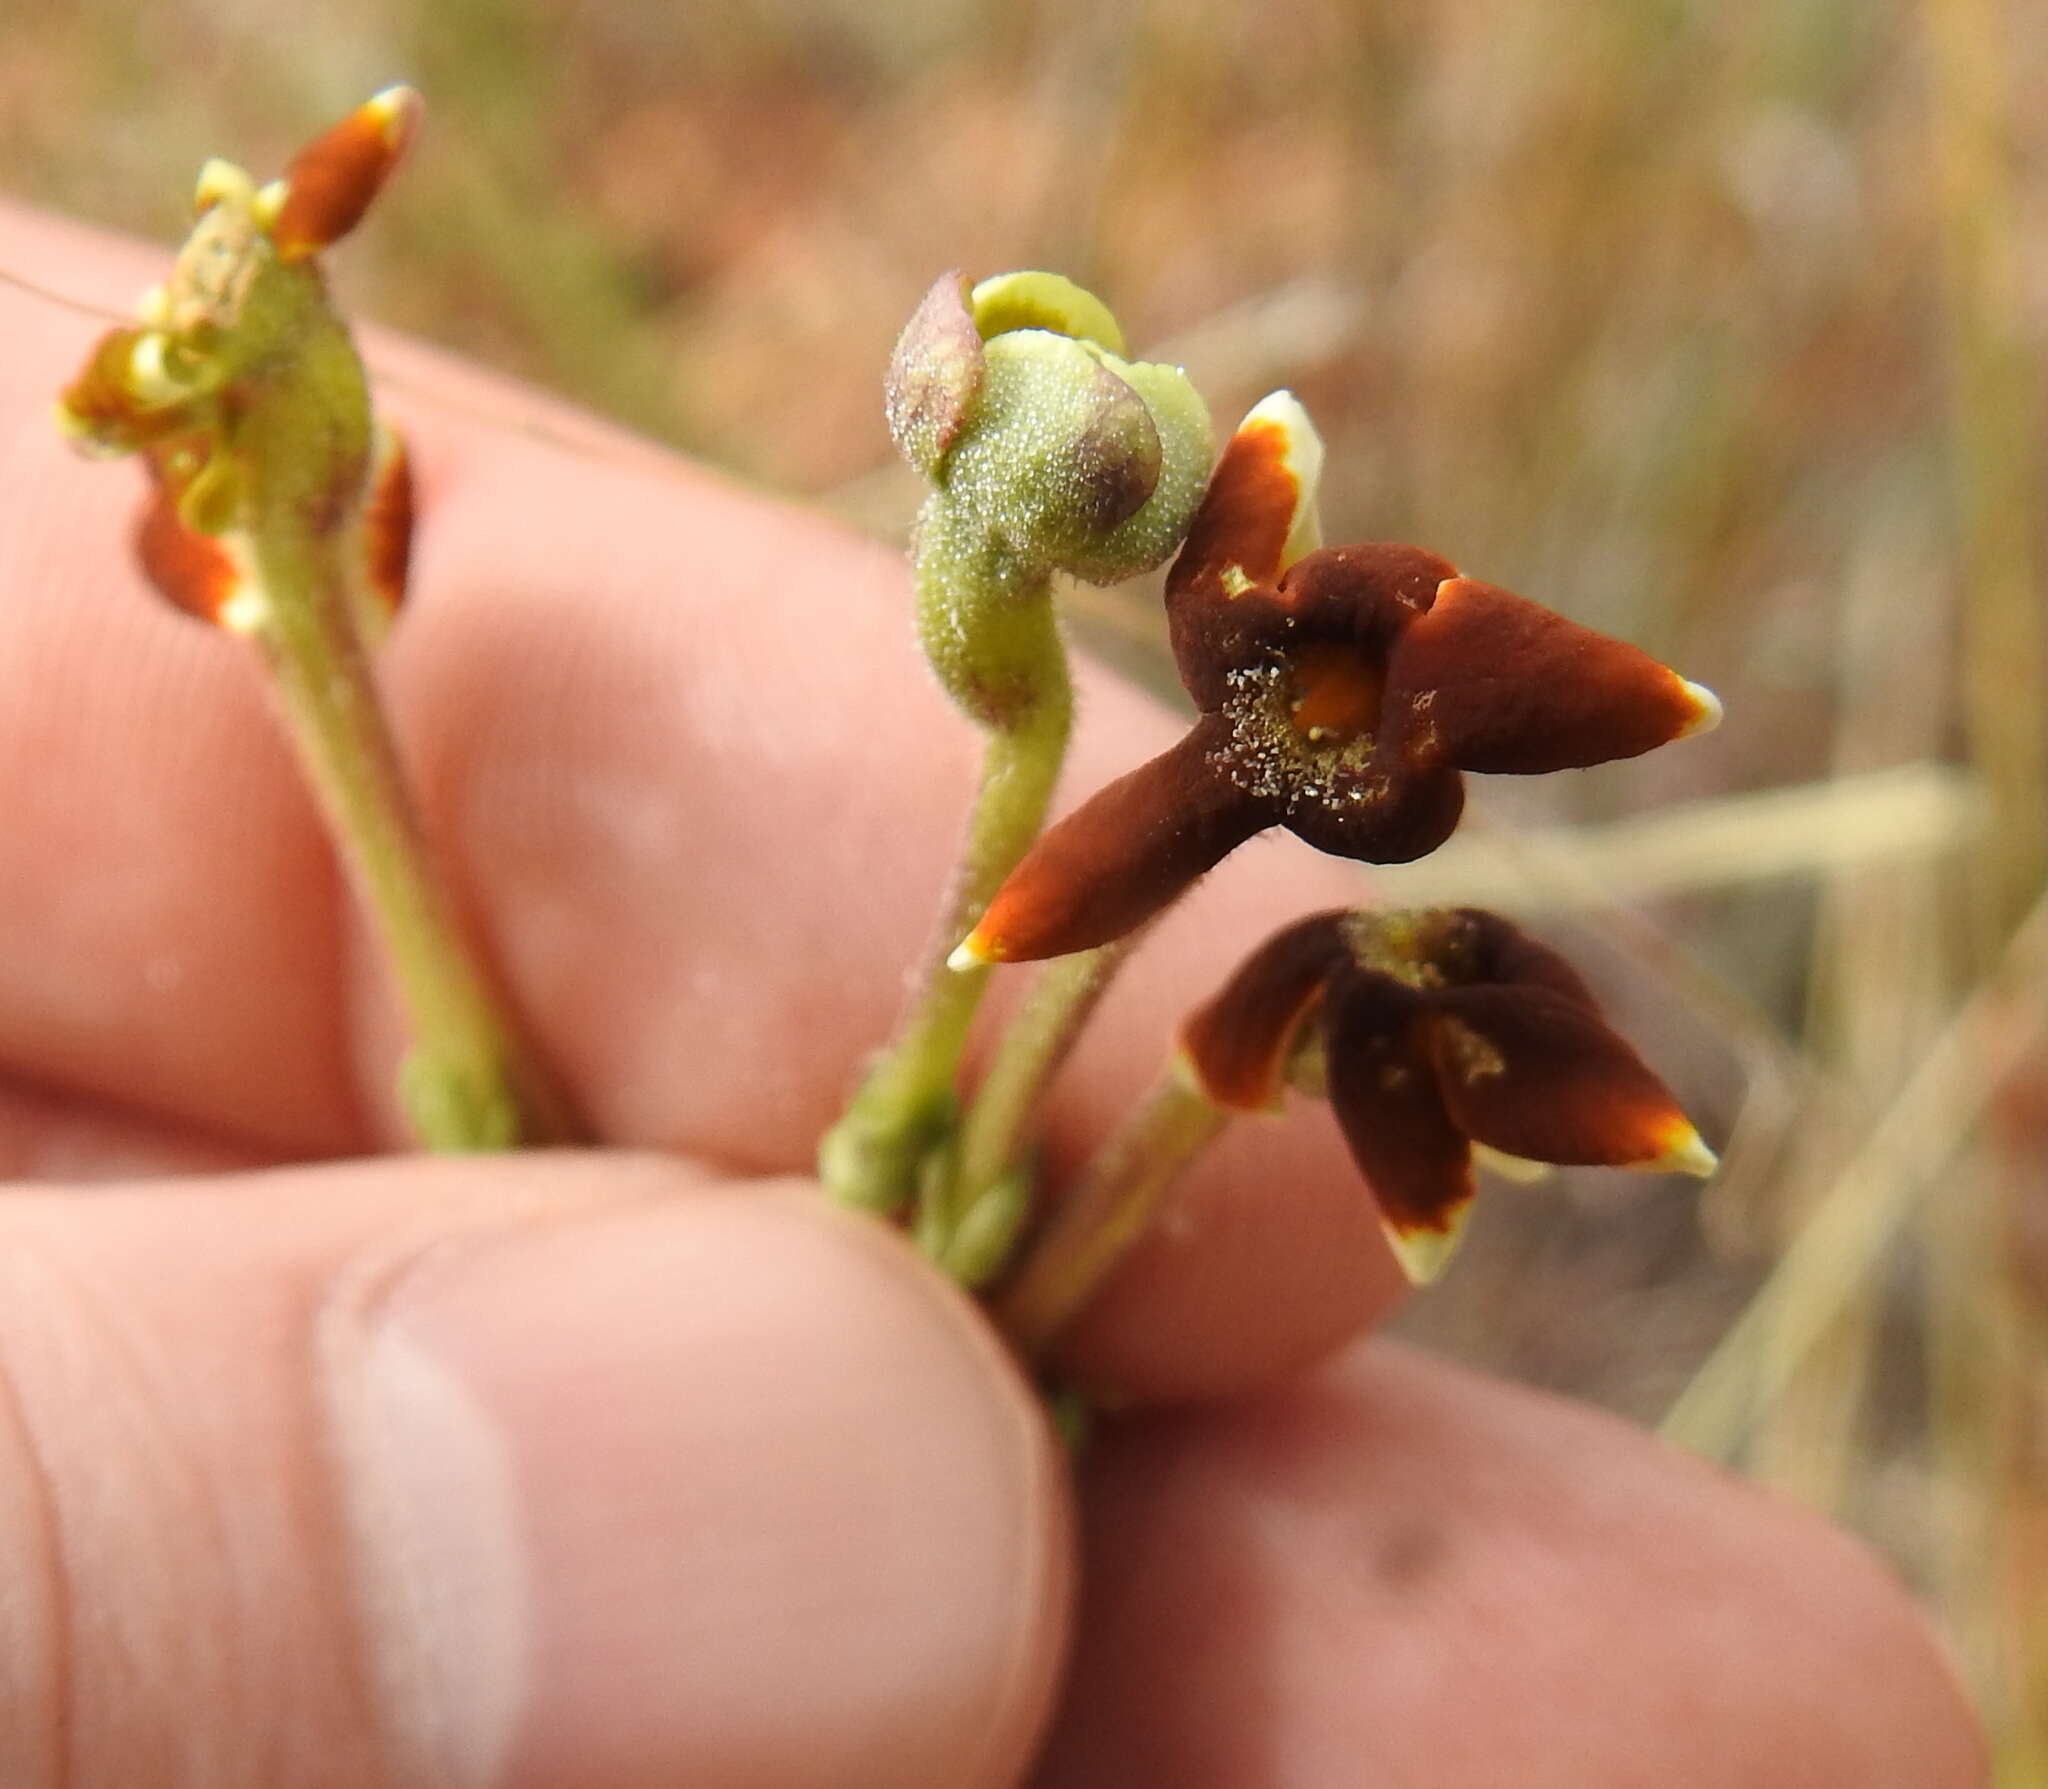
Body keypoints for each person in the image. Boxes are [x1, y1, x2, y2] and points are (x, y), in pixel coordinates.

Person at [0, 200, 1985, 1787]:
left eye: (1345, 705)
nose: (1322, 712)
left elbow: (1093, 858)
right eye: (1311, 686)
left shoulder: (1184, 802)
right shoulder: (1146, 763)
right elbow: (1043, 800)